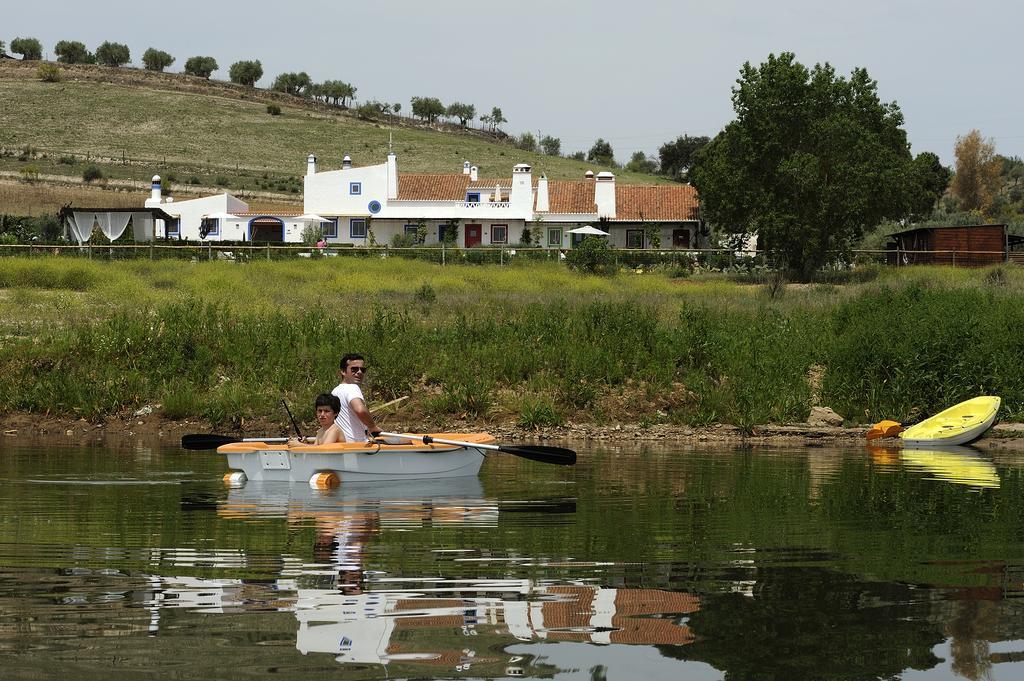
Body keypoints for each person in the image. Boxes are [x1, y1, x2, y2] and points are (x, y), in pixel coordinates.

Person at [332, 353, 381, 442]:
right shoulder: (352, 388)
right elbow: (360, 410)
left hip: (341, 443)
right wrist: (372, 427)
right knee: (406, 441)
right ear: (343, 371)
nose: (359, 372)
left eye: (363, 370)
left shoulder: (334, 392)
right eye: (354, 369)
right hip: (357, 444)